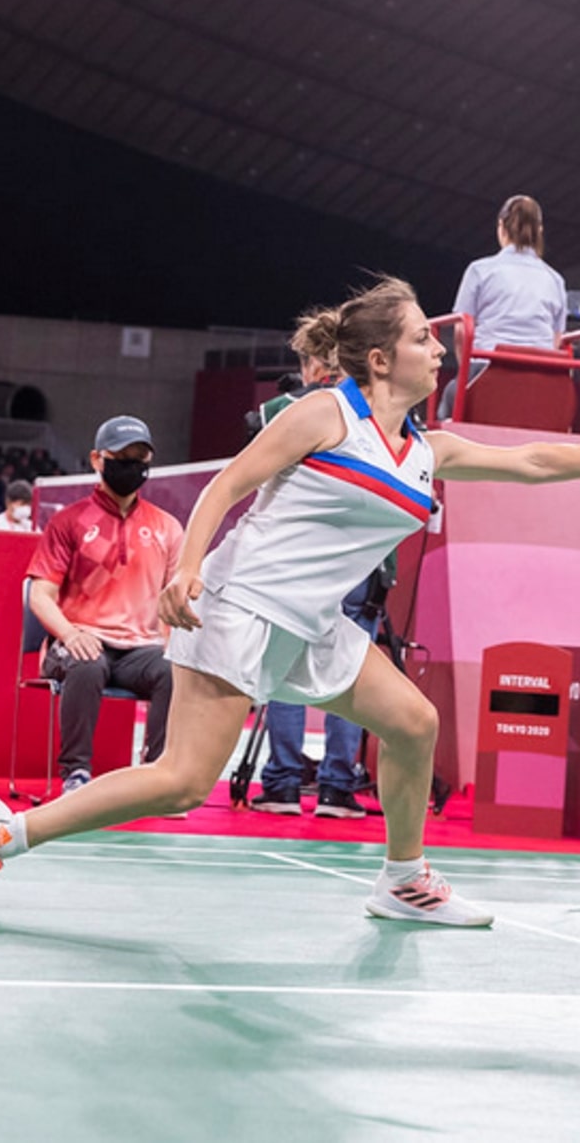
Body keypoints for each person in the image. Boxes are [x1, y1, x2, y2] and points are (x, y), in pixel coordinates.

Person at [0, 278, 580, 927]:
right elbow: (225, 485)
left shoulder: (424, 448)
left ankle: (402, 879)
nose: (437, 348)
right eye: (422, 338)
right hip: (240, 606)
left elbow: (533, 458)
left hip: (311, 624)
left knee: (414, 723)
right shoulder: (326, 413)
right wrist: (188, 569)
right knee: (180, 782)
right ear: (380, 358)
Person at [248, 310, 378, 820]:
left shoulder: (294, 408)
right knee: (348, 676)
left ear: (312, 364)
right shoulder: (373, 412)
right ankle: (336, 788)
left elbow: (251, 434)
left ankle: (282, 783)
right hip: (358, 565)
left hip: (300, 566)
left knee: (283, 672)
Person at [28, 416, 182, 794]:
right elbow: (39, 594)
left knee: (172, 670)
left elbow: (176, 600)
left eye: (140, 457)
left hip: (138, 651)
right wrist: (69, 632)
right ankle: (76, 774)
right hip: (78, 642)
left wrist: (173, 643)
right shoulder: (69, 522)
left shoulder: (167, 527)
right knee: (86, 662)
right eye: (122, 456)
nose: (132, 466)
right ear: (97, 459)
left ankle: (155, 777)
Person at [440, 195, 567, 419]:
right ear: (540, 230)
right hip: (542, 382)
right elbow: (557, 341)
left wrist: (467, 372)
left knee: (447, 404)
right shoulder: (555, 280)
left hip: (487, 372)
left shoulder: (480, 270)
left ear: (501, 227)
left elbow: (462, 330)